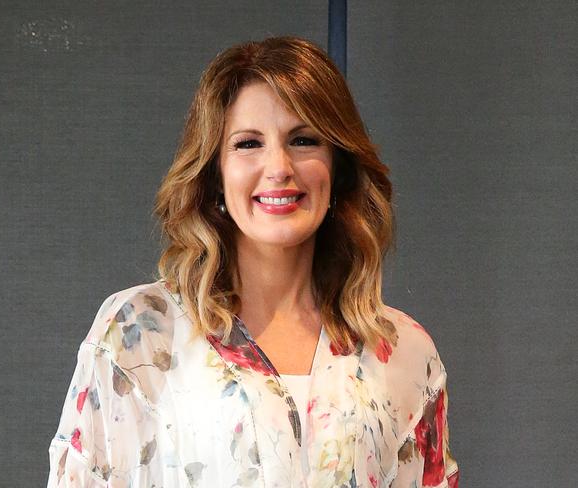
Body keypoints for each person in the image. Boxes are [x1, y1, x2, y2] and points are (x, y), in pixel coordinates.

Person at [47, 36, 459, 488]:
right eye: (248, 144)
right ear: (215, 175)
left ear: (338, 167)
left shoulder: (405, 352)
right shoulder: (140, 337)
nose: (279, 166)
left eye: (303, 140)